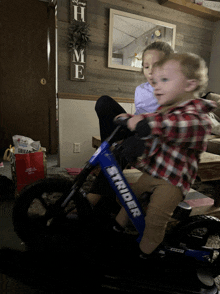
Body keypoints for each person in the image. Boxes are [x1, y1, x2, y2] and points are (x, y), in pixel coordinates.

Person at [113, 52, 217, 257]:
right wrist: (133, 118)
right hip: (155, 169)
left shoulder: (199, 117)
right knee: (129, 196)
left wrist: (146, 124)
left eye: (164, 80)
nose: (156, 85)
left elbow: (174, 126)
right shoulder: (167, 109)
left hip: (174, 179)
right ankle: (116, 228)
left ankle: (148, 252)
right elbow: (152, 117)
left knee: (156, 217)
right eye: (155, 80)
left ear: (189, 85)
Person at [96, 41, 174, 142]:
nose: (150, 71)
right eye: (146, 67)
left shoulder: (173, 91)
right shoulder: (140, 89)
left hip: (154, 135)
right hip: (135, 130)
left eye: (156, 66)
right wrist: (129, 118)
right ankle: (108, 149)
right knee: (104, 102)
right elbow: (137, 115)